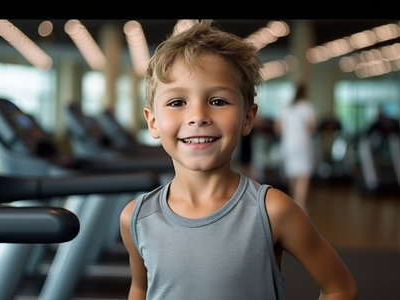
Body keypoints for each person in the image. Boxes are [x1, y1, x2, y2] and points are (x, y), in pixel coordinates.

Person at [119, 20, 357, 300]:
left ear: (247, 119)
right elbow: (140, 288)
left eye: (218, 101)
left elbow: (339, 287)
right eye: (177, 102)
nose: (198, 116)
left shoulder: (273, 211)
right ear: (153, 122)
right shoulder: (135, 218)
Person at [275, 83, 316, 211]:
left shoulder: (287, 108)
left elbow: (278, 127)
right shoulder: (306, 107)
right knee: (303, 175)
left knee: (292, 174)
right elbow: (312, 127)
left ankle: (294, 202)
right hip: (302, 145)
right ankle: (300, 205)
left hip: (288, 146)